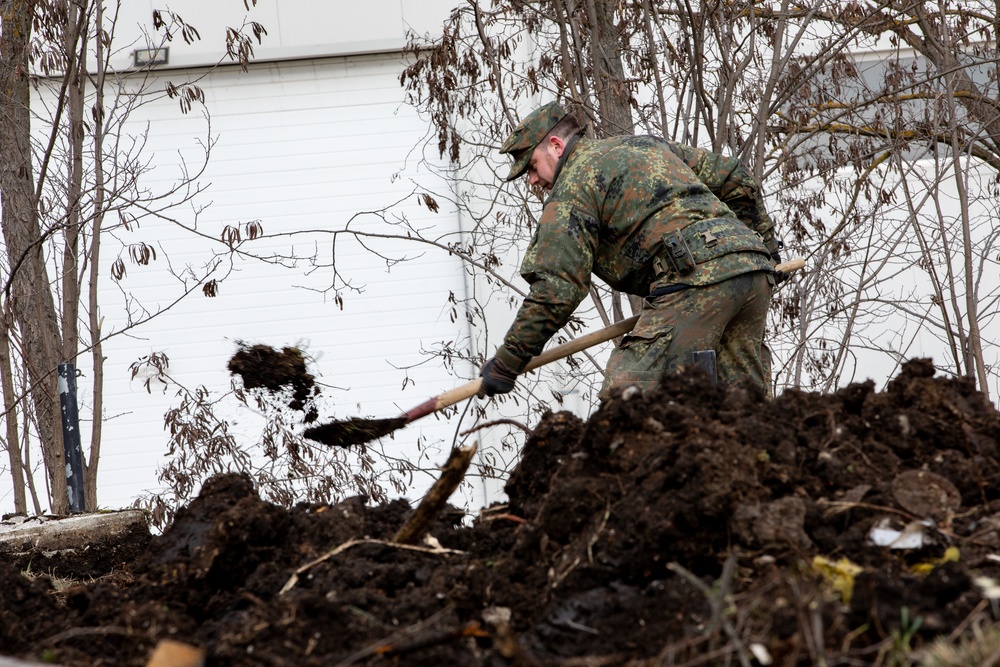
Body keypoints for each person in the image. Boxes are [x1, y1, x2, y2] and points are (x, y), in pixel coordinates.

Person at [478, 101, 783, 400]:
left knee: (627, 398)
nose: (532, 180)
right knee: (743, 410)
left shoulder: (572, 188)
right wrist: (767, 251)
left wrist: (508, 362)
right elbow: (734, 177)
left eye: (532, 167)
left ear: (556, 146)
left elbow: (557, 289)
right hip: (753, 272)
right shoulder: (645, 146)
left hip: (695, 281)